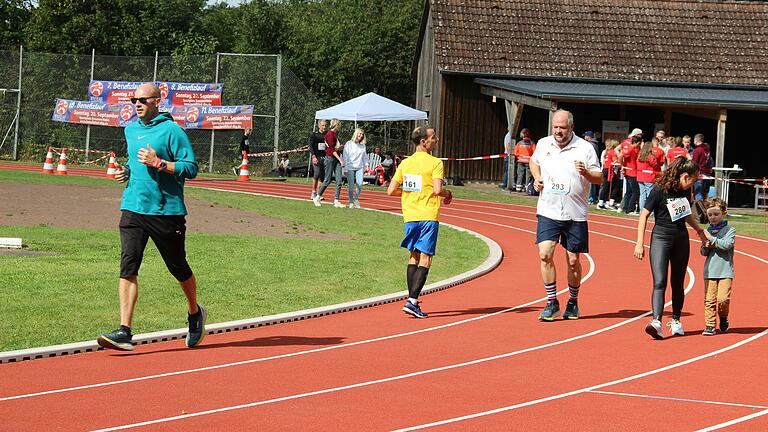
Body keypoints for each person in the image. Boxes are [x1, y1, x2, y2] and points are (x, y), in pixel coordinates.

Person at [97, 83, 206, 351]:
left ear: (158, 100)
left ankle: (195, 313)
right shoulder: (130, 129)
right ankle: (124, 330)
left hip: (166, 212)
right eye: (134, 100)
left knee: (178, 267)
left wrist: (160, 163)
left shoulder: (172, 131)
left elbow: (191, 168)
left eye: (143, 100)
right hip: (133, 208)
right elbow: (135, 162)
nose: (137, 104)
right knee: (128, 266)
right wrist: (127, 171)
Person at [529, 110, 602, 321]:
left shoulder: (585, 148)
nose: (558, 131)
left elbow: (599, 178)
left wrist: (586, 173)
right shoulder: (544, 144)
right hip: (548, 209)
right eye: (555, 127)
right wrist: (537, 178)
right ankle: (552, 302)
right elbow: (534, 162)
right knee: (545, 254)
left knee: (572, 260)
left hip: (575, 213)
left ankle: (573, 301)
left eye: (562, 128)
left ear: (571, 127)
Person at [633, 157, 707, 340]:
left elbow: (686, 214)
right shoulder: (659, 190)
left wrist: (699, 231)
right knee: (660, 281)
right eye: (693, 180)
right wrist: (639, 242)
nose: (694, 183)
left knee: (678, 283)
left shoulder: (684, 192)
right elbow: (644, 215)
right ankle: (656, 322)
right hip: (660, 238)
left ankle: (676, 320)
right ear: (684, 176)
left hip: (681, 239)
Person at [387, 125, 452, 319]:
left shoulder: (405, 164)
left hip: (410, 216)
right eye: (433, 137)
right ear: (423, 142)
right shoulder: (435, 163)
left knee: (413, 256)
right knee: (426, 258)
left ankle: (412, 299)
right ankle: (413, 301)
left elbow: (391, 190)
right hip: (428, 215)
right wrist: (449, 194)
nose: (437, 140)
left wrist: (409, 193)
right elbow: (439, 190)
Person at [699, 197, 735, 336]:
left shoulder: (730, 230)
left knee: (723, 300)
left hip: (725, 271)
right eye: (710, 215)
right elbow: (703, 252)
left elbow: (726, 245)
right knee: (709, 300)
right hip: (710, 271)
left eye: (716, 214)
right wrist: (705, 245)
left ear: (723, 213)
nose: (713, 217)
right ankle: (710, 325)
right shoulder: (707, 231)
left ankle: (724, 317)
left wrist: (711, 239)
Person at [313, 119, 345, 208]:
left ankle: (336, 200)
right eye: (339, 125)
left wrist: (340, 148)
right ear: (336, 125)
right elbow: (331, 150)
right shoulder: (329, 135)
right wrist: (340, 160)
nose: (340, 127)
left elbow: (335, 148)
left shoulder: (334, 135)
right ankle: (317, 197)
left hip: (336, 159)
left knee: (339, 181)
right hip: (330, 159)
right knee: (327, 180)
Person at [343, 128, 368, 208]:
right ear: (356, 134)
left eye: (362, 135)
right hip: (350, 167)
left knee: (360, 184)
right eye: (359, 134)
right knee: (351, 185)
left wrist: (366, 165)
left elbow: (364, 157)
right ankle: (350, 202)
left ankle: (356, 199)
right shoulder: (349, 144)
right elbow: (345, 156)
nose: (361, 136)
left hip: (359, 167)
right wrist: (345, 168)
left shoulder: (363, 145)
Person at [620, 128, 642, 215]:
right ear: (637, 142)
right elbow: (621, 156)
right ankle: (630, 209)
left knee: (629, 191)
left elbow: (621, 154)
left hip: (629, 171)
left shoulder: (630, 148)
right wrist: (621, 165)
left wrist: (622, 166)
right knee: (635, 191)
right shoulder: (631, 149)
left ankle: (625, 207)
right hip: (632, 172)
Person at [636, 140, 662, 212]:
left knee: (642, 195)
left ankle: (642, 210)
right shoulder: (651, 157)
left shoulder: (639, 156)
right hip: (649, 177)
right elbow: (656, 166)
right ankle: (650, 211)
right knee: (650, 195)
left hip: (640, 177)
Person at [597, 139, 622, 209]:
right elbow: (615, 161)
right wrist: (620, 161)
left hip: (605, 169)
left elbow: (604, 162)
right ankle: (610, 203)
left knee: (605, 186)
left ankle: (601, 203)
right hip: (610, 170)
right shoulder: (612, 152)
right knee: (616, 186)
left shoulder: (606, 152)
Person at [309, 120, 328, 200]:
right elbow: (311, 146)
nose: (324, 127)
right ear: (319, 125)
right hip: (317, 157)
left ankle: (319, 194)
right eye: (323, 125)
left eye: (325, 125)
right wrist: (313, 156)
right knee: (316, 174)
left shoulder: (328, 134)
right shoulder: (314, 135)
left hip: (325, 158)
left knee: (322, 176)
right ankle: (313, 192)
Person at [692, 133, 713, 201]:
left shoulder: (697, 150)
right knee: (704, 194)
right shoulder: (707, 150)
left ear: (696, 140)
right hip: (707, 174)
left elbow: (694, 163)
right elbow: (710, 161)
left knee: (698, 194)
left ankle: (700, 211)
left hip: (699, 173)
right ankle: (704, 210)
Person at [513, 128, 535, 192]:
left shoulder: (519, 143)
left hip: (520, 161)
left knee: (520, 174)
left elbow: (515, 153)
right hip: (528, 162)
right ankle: (527, 188)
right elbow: (535, 152)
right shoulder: (532, 143)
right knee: (528, 175)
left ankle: (518, 188)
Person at [583, 131, 601, 204]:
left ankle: (590, 199)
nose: (584, 137)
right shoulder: (595, 144)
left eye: (585, 136)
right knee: (592, 182)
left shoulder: (590, 145)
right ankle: (592, 198)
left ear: (588, 136)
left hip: (590, 164)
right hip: (593, 164)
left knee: (590, 182)